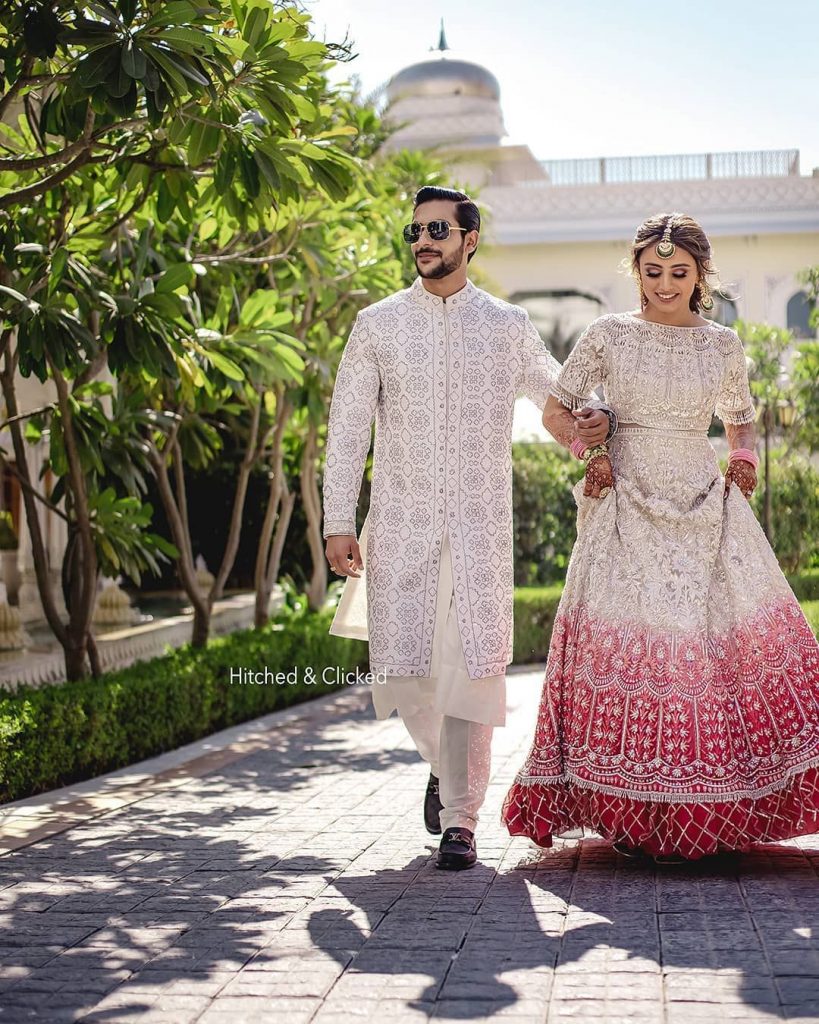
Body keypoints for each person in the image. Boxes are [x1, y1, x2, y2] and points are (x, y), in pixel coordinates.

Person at [503, 212, 819, 863]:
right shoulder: (608, 334)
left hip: (703, 503)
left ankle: (720, 803)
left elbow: (740, 420)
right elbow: (554, 405)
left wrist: (744, 458)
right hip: (622, 500)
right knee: (630, 652)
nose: (665, 283)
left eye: (679, 272)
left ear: (700, 274)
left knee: (708, 653)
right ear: (636, 271)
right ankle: (631, 813)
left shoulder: (721, 344)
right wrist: (585, 441)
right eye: (653, 271)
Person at [322, 186, 615, 870]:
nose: (423, 240)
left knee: (472, 675)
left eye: (437, 229)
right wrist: (338, 520)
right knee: (406, 676)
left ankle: (460, 822)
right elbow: (345, 429)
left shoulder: (505, 325)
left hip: (478, 529)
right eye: (415, 231)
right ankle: (442, 770)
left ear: (468, 239)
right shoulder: (377, 324)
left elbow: (554, 397)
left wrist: (590, 424)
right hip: (399, 525)